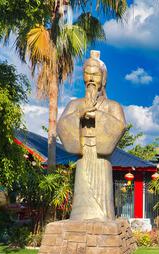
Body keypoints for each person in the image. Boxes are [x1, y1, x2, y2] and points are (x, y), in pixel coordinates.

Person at [57, 51, 126, 221]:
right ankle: (80, 215)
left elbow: (120, 125)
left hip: (101, 158)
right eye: (87, 73)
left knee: (102, 196)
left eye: (95, 74)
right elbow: (61, 125)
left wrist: (98, 117)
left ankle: (104, 216)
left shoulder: (113, 105)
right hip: (83, 156)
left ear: (104, 78)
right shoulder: (74, 104)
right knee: (82, 189)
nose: (91, 78)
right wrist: (79, 115)